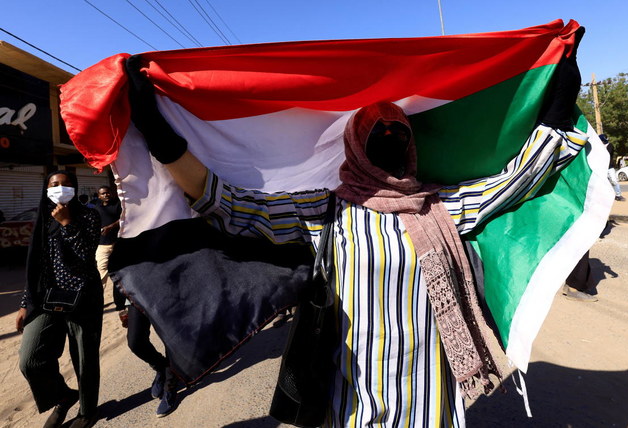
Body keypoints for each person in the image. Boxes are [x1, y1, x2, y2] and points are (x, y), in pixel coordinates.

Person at [124, 31, 587, 425]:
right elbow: (227, 203)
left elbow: (516, 181)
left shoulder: (439, 207)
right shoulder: (323, 211)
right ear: (354, 147)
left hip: (432, 394)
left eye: (398, 133)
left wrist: (559, 99)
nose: (389, 140)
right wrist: (159, 134)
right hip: (355, 393)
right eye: (375, 134)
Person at [15, 170, 103, 428]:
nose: (60, 188)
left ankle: (88, 411)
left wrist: (67, 223)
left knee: (84, 358)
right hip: (46, 298)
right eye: (55, 184)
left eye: (66, 184)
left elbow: (87, 256)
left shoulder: (88, 215)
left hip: (82, 296)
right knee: (30, 359)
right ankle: (63, 396)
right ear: (47, 189)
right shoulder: (42, 218)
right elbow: (37, 266)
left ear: (75, 188)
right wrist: (24, 303)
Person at [123, 302, 178, 417]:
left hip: (167, 290)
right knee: (135, 342)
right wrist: (120, 304)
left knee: (170, 335)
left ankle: (170, 385)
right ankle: (161, 366)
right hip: (134, 292)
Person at [92, 186, 124, 312]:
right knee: (102, 273)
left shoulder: (119, 205)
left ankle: (120, 303)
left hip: (118, 243)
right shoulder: (96, 208)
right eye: (103, 193)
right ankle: (97, 302)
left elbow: (124, 219)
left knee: (120, 274)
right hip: (102, 246)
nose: (106, 195)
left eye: (108, 192)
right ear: (99, 196)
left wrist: (111, 226)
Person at [600, 134, 625, 201]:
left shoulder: (609, 145)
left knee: (614, 180)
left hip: (609, 167)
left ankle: (618, 195)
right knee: (603, 182)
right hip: (601, 167)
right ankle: (606, 195)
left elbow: (607, 153)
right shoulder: (598, 147)